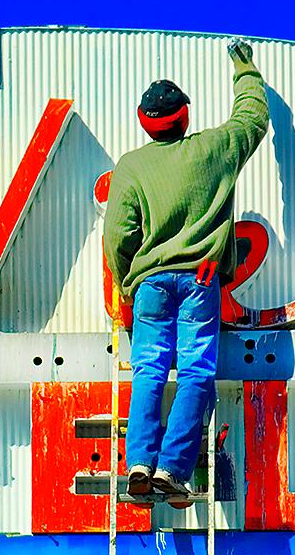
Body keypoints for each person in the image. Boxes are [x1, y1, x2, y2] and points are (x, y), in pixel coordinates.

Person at [102, 38, 270, 507]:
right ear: (185, 116)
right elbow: (252, 120)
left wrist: (127, 282)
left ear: (145, 122)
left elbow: (118, 235)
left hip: (152, 285)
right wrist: (244, 69)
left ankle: (138, 463)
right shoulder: (214, 150)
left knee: (149, 371)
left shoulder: (131, 167)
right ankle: (173, 469)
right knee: (196, 369)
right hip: (201, 281)